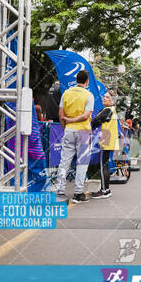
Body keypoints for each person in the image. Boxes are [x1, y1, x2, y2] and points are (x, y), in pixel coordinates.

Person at [55, 70, 94, 203]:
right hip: (83, 131)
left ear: (76, 79)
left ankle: (60, 191)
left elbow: (61, 114)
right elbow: (87, 115)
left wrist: (66, 127)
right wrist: (73, 121)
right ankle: (78, 193)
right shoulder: (89, 95)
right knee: (82, 163)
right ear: (87, 81)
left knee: (64, 161)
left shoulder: (66, 93)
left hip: (69, 131)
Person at [90, 92, 119, 199]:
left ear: (112, 101)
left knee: (103, 166)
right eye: (104, 96)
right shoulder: (112, 110)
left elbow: (96, 120)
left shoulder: (108, 110)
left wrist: (89, 127)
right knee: (105, 165)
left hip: (106, 140)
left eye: (107, 97)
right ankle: (106, 189)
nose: (104, 98)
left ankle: (104, 190)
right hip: (109, 140)